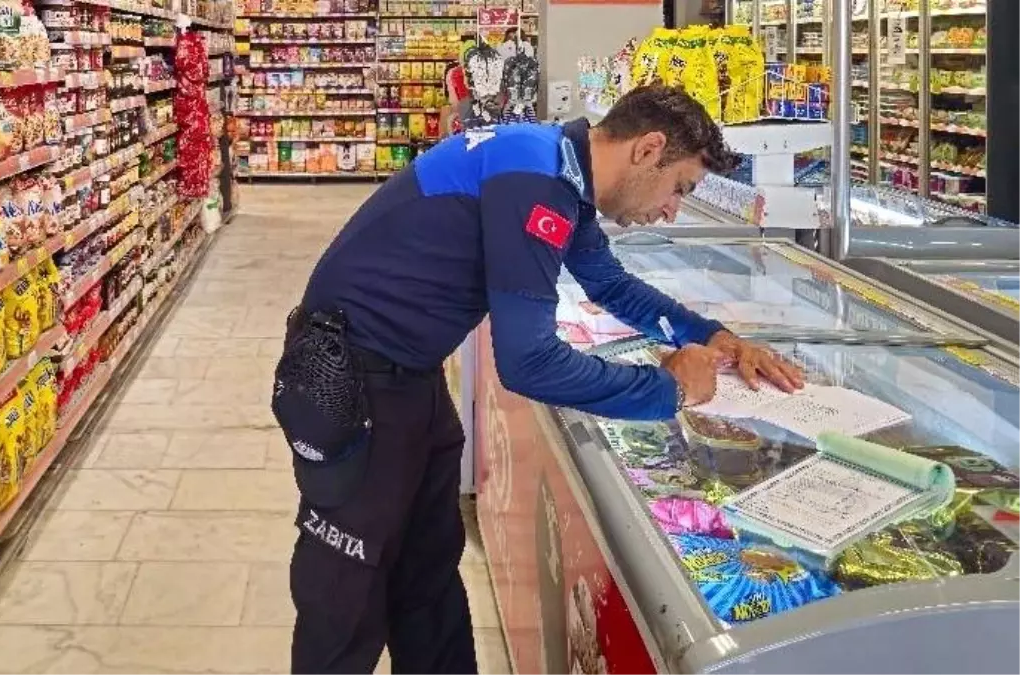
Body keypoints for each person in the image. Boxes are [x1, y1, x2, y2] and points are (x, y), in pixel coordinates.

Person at [271, 84, 805, 675]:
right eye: (679, 187)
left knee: (427, 575)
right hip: (353, 381)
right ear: (648, 149)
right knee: (346, 593)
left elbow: (608, 284)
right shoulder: (536, 178)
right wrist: (668, 390)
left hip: (409, 376)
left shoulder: (559, 165)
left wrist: (708, 336)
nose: (672, 208)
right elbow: (526, 361)